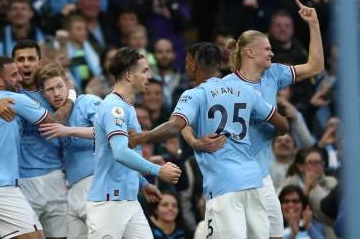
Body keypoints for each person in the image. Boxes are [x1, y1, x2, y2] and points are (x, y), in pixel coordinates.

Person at [188, 0, 324, 239]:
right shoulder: (223, 86)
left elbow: (315, 67)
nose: (272, 52)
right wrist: (195, 141)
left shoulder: (274, 74)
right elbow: (185, 120)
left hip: (262, 175)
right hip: (232, 181)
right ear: (249, 51)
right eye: (267, 48)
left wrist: (313, 24)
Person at [129, 42, 289, 238]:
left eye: (187, 62)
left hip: (223, 185)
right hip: (254, 181)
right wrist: (266, 134)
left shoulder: (195, 94)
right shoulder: (245, 90)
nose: (186, 66)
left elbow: (174, 126)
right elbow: (283, 126)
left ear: (194, 65)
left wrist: (140, 137)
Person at [0, 40, 74, 239]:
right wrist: (71, 96)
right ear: (0, 80)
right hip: (6, 185)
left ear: (40, 62)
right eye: (17, 66)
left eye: (30, 59)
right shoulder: (13, 98)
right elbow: (55, 121)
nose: (22, 71)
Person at [86, 47, 181, 239]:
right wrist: (158, 170)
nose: (150, 75)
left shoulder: (126, 107)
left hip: (128, 200)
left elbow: (122, 156)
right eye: (145, 71)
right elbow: (120, 152)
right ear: (129, 75)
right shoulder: (115, 107)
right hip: (109, 202)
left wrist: (141, 182)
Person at [35, 63, 101, 239]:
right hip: (72, 190)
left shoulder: (87, 101)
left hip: (96, 182)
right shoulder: (51, 117)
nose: (56, 93)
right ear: (43, 94)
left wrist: (69, 131)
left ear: (68, 85)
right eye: (50, 89)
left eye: (59, 86)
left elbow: (109, 132)